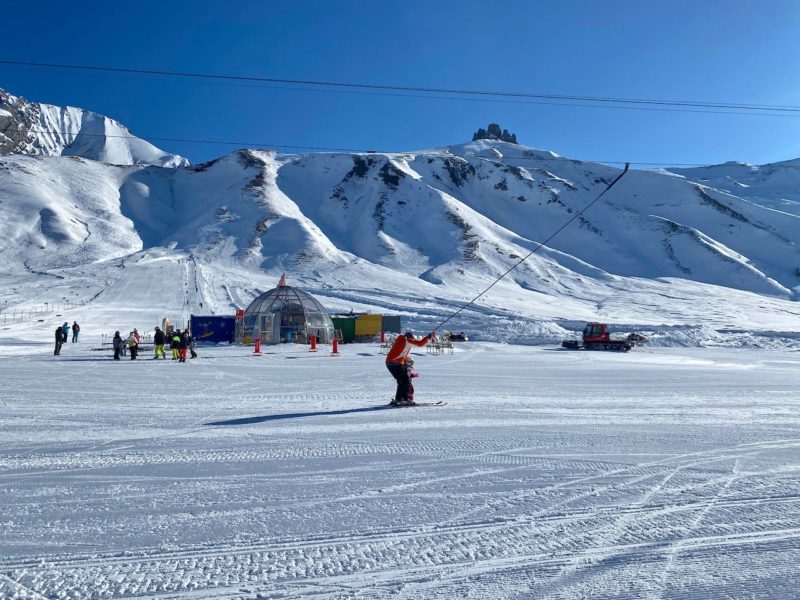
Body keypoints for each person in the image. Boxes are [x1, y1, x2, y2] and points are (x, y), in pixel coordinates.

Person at [385, 330, 432, 405]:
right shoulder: (407, 340)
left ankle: (399, 399)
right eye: (412, 339)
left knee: (402, 380)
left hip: (390, 362)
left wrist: (406, 359)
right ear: (410, 337)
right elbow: (420, 344)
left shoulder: (401, 340)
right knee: (405, 380)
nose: (412, 341)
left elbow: (400, 353)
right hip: (395, 363)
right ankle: (403, 399)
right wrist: (428, 337)